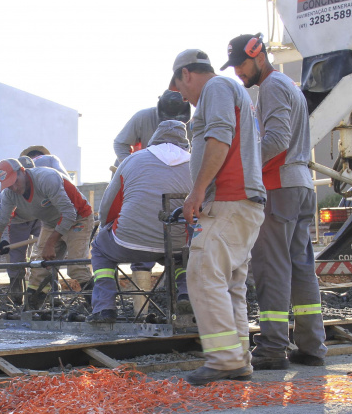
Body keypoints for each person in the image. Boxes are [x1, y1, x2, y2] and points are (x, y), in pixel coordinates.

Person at [225, 33, 328, 368]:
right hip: (300, 186)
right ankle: (312, 346)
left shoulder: (271, 86)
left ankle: (271, 347)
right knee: (300, 267)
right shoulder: (287, 85)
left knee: (271, 266)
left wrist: (243, 171)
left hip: (279, 186)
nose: (238, 72)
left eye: (241, 64)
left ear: (258, 56)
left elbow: (277, 141)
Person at [171, 48, 266, 386]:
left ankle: (225, 359)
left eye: (180, 87)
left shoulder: (216, 89)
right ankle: (237, 358)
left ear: (187, 74)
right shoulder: (232, 90)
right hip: (244, 201)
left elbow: (220, 137)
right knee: (230, 285)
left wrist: (197, 192)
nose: (182, 96)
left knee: (201, 273)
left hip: (230, 199)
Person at [87, 120, 193, 323]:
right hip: (176, 242)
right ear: (185, 143)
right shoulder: (195, 162)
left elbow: (109, 204)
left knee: (100, 249)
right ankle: (185, 295)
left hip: (129, 241)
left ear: (154, 140)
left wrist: (106, 226)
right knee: (182, 257)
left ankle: (104, 308)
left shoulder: (133, 159)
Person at [0, 159, 94, 310]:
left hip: (79, 218)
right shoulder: (10, 194)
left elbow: (69, 213)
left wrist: (50, 244)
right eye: (9, 185)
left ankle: (98, 307)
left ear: (22, 171)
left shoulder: (46, 179)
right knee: (38, 268)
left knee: (76, 267)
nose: (14, 187)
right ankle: (31, 310)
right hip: (51, 223)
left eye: (15, 181)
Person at [112, 90, 191, 166]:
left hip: (179, 171)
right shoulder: (143, 117)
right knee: (120, 163)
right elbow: (120, 144)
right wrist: (132, 168)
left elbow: (199, 154)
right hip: (145, 166)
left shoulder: (195, 124)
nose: (171, 124)